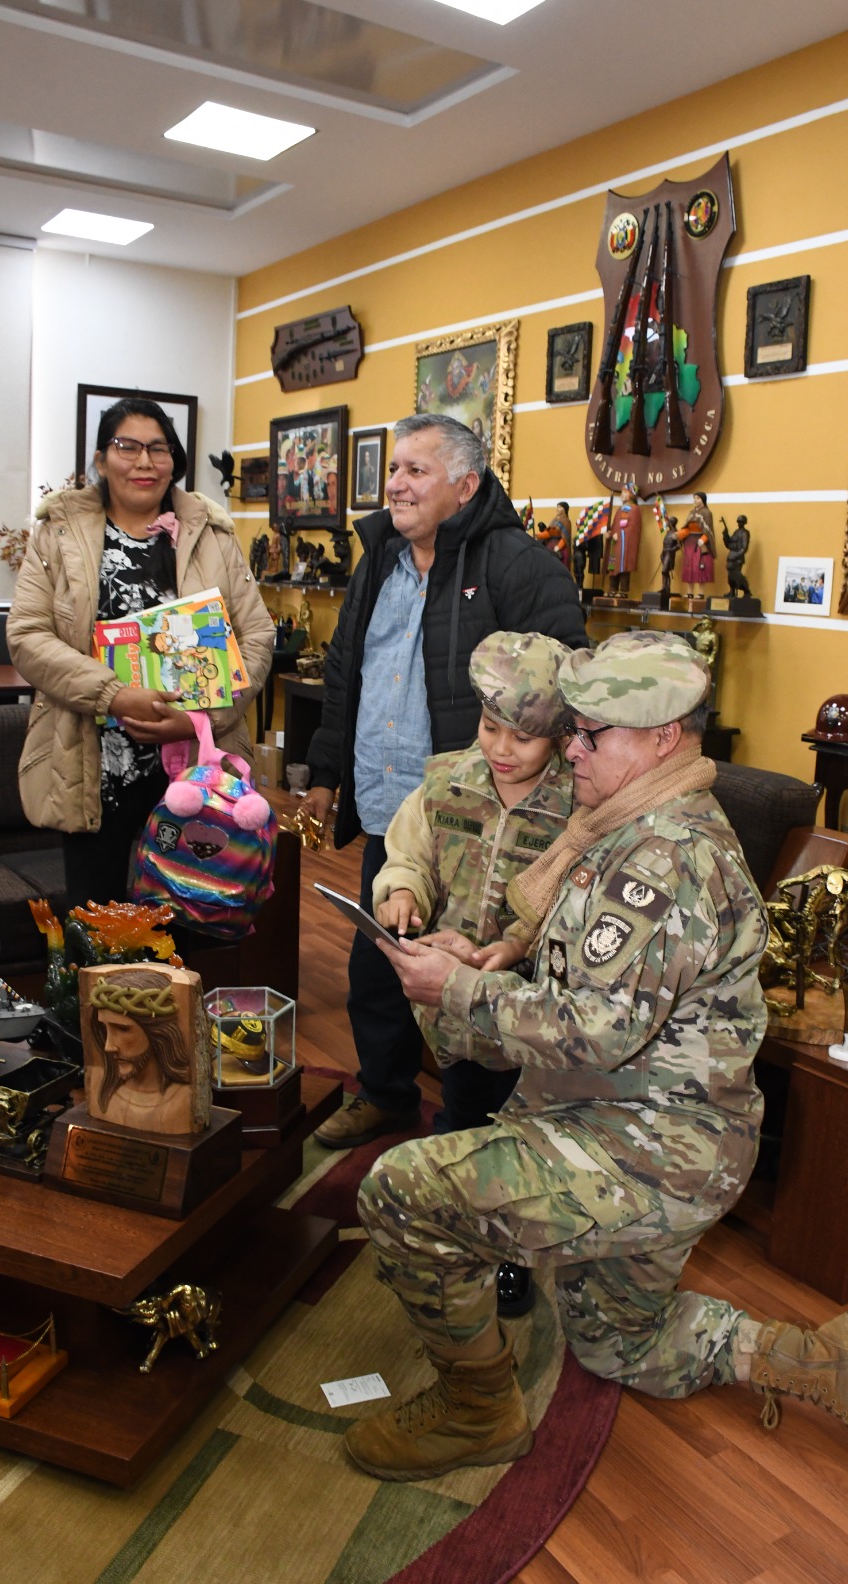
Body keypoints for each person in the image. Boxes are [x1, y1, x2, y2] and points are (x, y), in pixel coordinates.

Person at [341, 632, 848, 1500]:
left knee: (401, 1192)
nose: (570, 747)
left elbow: (596, 1031)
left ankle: (477, 1412)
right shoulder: (629, 824)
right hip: (659, 1126)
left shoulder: (663, 859)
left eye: (593, 733)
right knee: (622, 1346)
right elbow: (592, 981)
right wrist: (498, 955)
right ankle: (822, 1359)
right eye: (573, 730)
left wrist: (459, 989)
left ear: (664, 738)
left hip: (647, 1146)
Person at [300, 412, 587, 1149]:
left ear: (465, 485)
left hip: (488, 825)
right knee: (377, 960)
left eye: (415, 471)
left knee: (475, 980)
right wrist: (327, 774)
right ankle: (388, 1093)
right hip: (394, 806)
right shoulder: (379, 559)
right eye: (393, 469)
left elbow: (563, 691)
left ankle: (485, 1134)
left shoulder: (521, 567)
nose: (394, 484)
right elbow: (344, 672)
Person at [372, 631, 575, 1312]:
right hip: (453, 1013)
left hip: (533, 1015)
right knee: (462, 1119)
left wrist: (518, 949)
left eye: (523, 738)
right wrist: (402, 893)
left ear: (559, 736)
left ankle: (511, 1257)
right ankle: (449, 1244)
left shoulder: (580, 808)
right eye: (491, 728)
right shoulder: (446, 781)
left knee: (521, 1144)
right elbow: (408, 855)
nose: (500, 749)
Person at [8, 397, 274, 909]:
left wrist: (202, 718)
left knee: (186, 914)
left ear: (174, 459)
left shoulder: (212, 533)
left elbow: (257, 635)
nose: (144, 462)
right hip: (90, 763)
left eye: (159, 448)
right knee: (96, 918)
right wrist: (115, 695)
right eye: (127, 446)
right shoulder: (57, 532)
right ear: (102, 459)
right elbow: (27, 635)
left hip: (196, 766)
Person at [83, 968, 195, 1135]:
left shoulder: (183, 1100)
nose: (108, 1047)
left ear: (158, 1032)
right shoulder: (101, 1089)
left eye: (122, 1029)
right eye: (104, 1029)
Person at [721, 513, 752, 597]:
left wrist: (736, 556)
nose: (739, 523)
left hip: (738, 558)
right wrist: (725, 535)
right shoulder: (736, 532)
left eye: (741, 522)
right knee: (730, 576)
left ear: (744, 522)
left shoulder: (745, 533)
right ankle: (732, 591)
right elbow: (729, 544)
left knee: (737, 576)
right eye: (738, 522)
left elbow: (744, 548)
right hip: (731, 557)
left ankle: (746, 591)